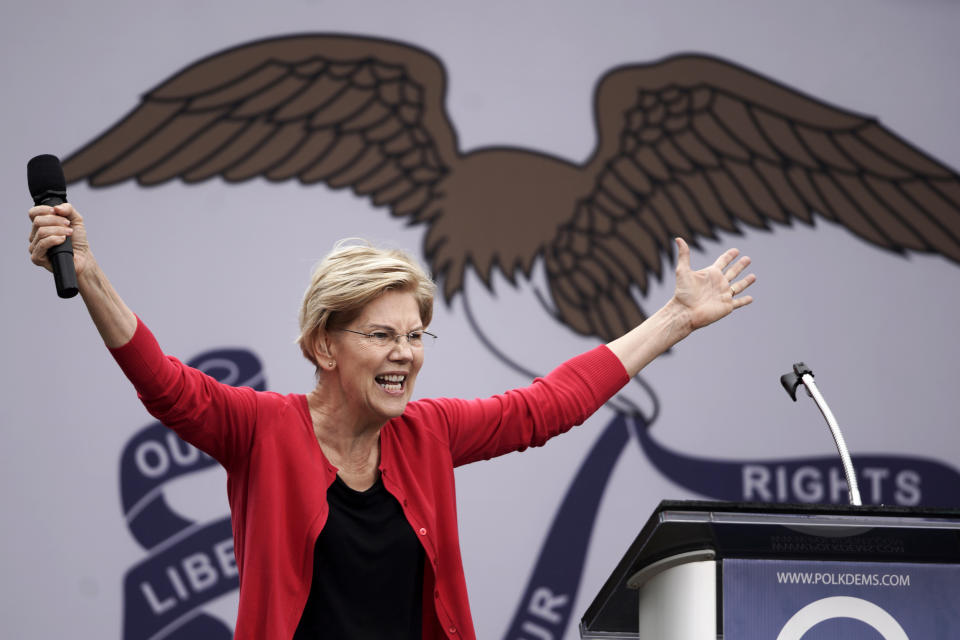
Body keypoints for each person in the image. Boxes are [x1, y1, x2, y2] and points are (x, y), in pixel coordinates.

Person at [28, 202, 755, 640]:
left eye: (415, 335)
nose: (405, 354)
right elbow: (164, 384)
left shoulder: (428, 434)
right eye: (382, 335)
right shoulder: (260, 429)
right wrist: (88, 274)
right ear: (323, 344)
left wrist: (675, 318)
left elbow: (547, 406)